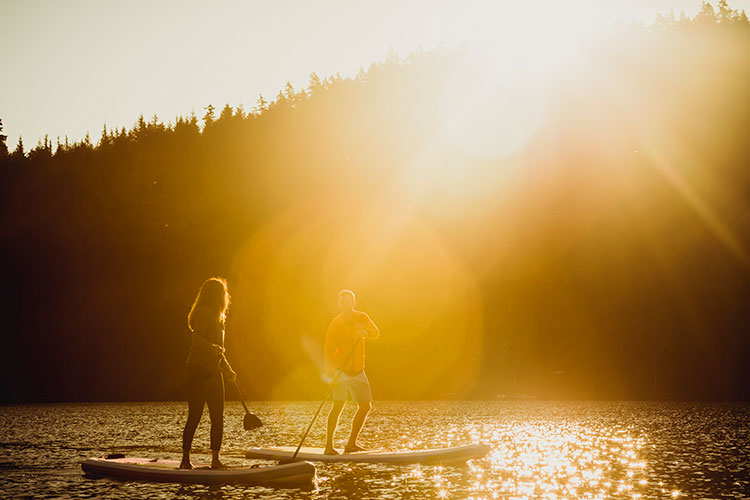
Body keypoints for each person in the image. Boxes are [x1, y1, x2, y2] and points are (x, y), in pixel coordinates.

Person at [180, 277, 237, 469]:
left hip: (214, 371)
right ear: (215, 295)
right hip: (197, 370)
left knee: (217, 416)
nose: (225, 296)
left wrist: (228, 369)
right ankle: (185, 460)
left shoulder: (219, 318)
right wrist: (213, 348)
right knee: (195, 415)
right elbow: (197, 340)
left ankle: (215, 460)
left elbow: (219, 350)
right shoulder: (204, 314)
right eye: (222, 293)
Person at [324, 289, 380, 455]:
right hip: (340, 371)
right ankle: (329, 446)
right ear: (339, 304)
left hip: (358, 371)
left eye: (347, 301)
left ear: (353, 303)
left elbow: (376, 333)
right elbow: (328, 350)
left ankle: (351, 444)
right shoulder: (336, 323)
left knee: (365, 406)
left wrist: (366, 332)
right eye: (342, 302)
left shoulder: (361, 317)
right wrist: (330, 373)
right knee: (338, 405)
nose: (345, 304)